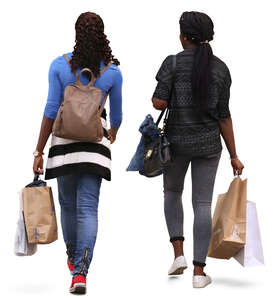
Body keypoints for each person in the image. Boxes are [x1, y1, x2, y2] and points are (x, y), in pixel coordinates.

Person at [152, 11, 244, 288]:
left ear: (183, 36)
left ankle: (178, 255)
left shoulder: (173, 63)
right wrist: (234, 155)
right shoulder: (221, 69)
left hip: (176, 144)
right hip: (208, 146)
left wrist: (169, 97)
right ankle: (199, 272)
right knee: (202, 204)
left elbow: (158, 102)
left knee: (172, 192)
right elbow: (224, 116)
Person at [33, 12, 123, 294]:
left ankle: (72, 262)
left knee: (68, 206)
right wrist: (113, 132)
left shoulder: (59, 66)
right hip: (95, 148)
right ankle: (81, 273)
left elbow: (50, 110)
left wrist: (38, 149)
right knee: (88, 208)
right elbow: (118, 115)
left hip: (63, 145)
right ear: (102, 34)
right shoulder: (113, 71)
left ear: (76, 33)